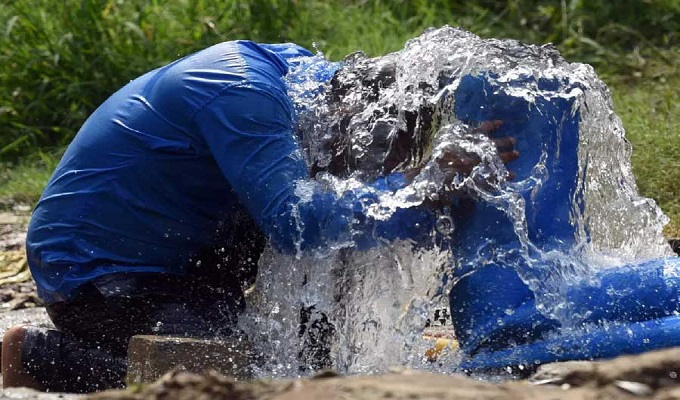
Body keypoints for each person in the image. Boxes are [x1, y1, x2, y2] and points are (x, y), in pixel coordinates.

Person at [2, 40, 517, 393]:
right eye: (363, 162)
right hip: (99, 269)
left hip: (191, 262)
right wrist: (421, 188)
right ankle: (38, 357)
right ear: (351, 115)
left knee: (299, 360)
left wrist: (449, 199)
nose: (361, 177)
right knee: (232, 381)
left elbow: (364, 220)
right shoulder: (241, 91)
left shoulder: (312, 89)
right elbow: (298, 225)